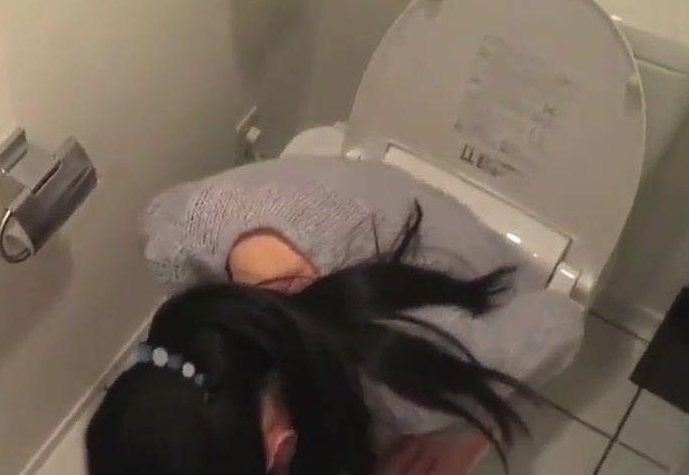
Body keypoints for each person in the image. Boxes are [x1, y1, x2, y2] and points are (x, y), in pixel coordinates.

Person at [85, 155, 585, 475]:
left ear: (280, 448)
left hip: (465, 264)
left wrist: (466, 440)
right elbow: (163, 208)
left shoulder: (407, 385)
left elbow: (563, 321)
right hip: (354, 185)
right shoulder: (176, 242)